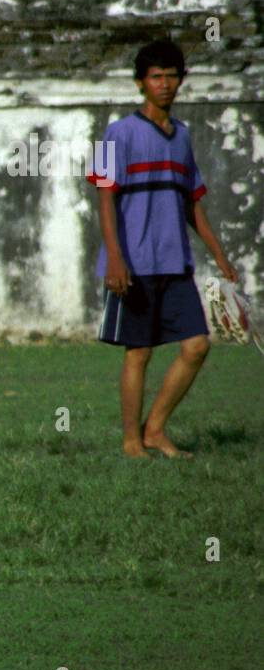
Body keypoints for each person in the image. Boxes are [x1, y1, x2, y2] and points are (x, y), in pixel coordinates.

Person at [87, 40, 238, 459]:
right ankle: (131, 442)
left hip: (176, 262)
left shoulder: (183, 137)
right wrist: (115, 258)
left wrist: (220, 255)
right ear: (140, 83)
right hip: (133, 263)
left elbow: (193, 204)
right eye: (156, 76)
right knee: (140, 352)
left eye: (172, 76)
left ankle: (154, 430)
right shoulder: (116, 132)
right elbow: (103, 197)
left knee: (197, 346)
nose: (165, 84)